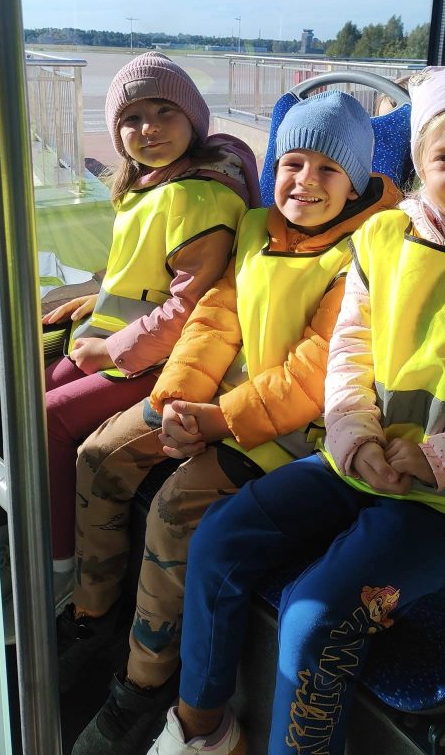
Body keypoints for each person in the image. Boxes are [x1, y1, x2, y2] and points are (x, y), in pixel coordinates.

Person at [148, 45, 445, 755]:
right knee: (218, 538)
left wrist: (435, 461)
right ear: (420, 161)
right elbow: (349, 355)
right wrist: (354, 438)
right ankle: (203, 728)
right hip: (356, 459)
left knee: (315, 617)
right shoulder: (383, 238)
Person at [64, 91, 403, 755]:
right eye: (292, 164)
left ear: (356, 181)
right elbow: (215, 319)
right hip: (214, 400)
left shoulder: (369, 252)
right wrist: (177, 400)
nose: (304, 182)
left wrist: (218, 421)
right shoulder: (255, 227)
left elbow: (316, 371)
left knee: (174, 511)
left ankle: (143, 684)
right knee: (99, 456)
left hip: (289, 431)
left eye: (327, 170)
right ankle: (93, 617)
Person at [40, 51, 259, 603]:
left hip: (166, 359)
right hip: (126, 343)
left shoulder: (201, 196)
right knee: (38, 389)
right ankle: (48, 525)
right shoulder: (155, 184)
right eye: (132, 119)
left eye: (165, 112)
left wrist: (107, 350)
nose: (149, 128)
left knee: (46, 420)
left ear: (194, 120)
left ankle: (60, 567)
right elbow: (147, 277)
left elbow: (189, 308)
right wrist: (94, 299)